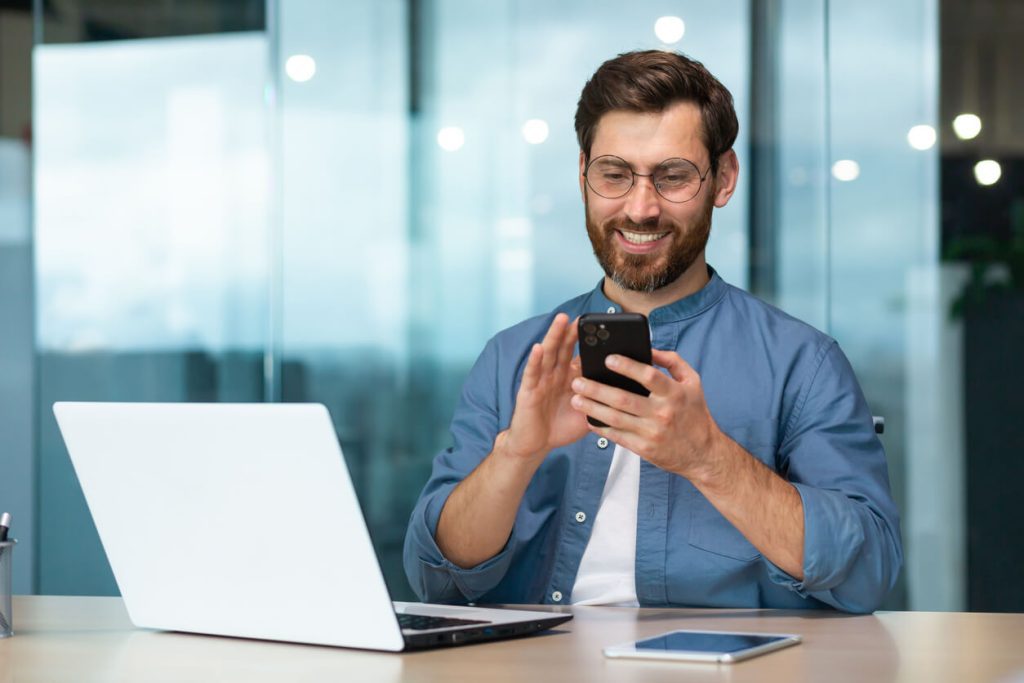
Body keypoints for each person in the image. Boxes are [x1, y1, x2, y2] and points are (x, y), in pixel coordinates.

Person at [402, 50, 902, 613]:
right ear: (584, 173)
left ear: (723, 178)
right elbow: (436, 580)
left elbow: (868, 572)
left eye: (673, 177)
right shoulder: (513, 357)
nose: (640, 208)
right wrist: (516, 454)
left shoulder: (802, 363)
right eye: (614, 175)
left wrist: (707, 456)